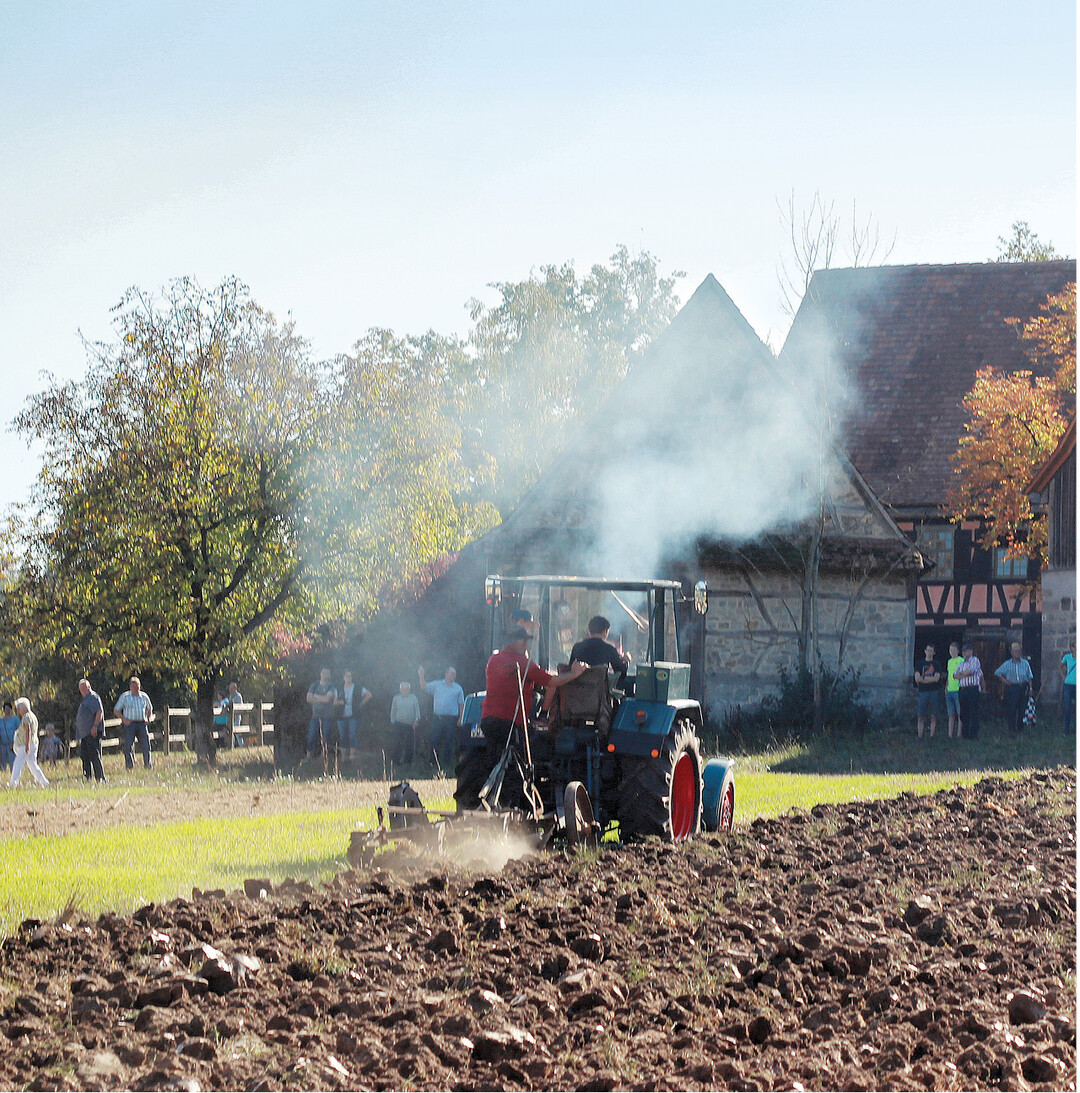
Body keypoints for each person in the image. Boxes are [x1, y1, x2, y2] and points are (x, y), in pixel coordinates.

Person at [457, 627, 586, 810]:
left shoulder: (494, 660)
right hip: (510, 723)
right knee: (517, 766)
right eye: (525, 640)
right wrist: (574, 673)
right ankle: (511, 806)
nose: (527, 644)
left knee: (493, 760)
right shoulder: (523, 664)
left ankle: (478, 804)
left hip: (488, 721)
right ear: (518, 642)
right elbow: (552, 681)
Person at [418, 665, 465, 771]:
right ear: (446, 674)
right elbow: (424, 687)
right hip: (438, 718)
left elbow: (461, 704)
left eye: (455, 674)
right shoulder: (437, 685)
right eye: (452, 673)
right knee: (434, 739)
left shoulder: (458, 688)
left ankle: (447, 764)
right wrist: (421, 675)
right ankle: (432, 762)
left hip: (451, 719)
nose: (454, 676)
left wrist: (461, 718)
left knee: (449, 741)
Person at [570, 615, 631, 684]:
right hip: (600, 693)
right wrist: (626, 660)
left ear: (590, 630)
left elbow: (570, 669)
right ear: (605, 632)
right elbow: (621, 673)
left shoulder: (577, 647)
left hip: (577, 690)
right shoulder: (609, 648)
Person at [994, 642, 1034, 737]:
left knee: (1022, 709)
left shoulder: (1025, 663)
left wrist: (1031, 688)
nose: (1017, 653)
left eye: (1019, 651)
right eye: (1015, 651)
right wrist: (1005, 681)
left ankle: (1020, 729)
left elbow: (1029, 676)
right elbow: (997, 672)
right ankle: (1012, 730)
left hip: (1023, 687)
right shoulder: (1007, 664)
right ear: (1011, 652)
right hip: (1012, 688)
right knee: (1011, 709)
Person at [114, 676, 154, 770]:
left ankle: (148, 765)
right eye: (134, 686)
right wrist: (124, 719)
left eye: (137, 686)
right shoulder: (125, 696)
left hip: (142, 724)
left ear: (140, 686)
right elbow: (116, 710)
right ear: (130, 687)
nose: (136, 688)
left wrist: (148, 718)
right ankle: (129, 767)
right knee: (128, 746)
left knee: (146, 745)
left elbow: (149, 708)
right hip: (130, 724)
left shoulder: (144, 696)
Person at [9, 697, 48, 788]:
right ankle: (44, 782)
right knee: (33, 765)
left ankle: (13, 784)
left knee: (17, 764)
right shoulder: (33, 716)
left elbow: (28, 730)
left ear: (23, 708)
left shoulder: (26, 717)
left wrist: (26, 745)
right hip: (34, 743)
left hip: (26, 744)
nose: (18, 711)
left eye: (18, 709)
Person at [336, 670, 372, 760]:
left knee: (352, 734)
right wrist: (340, 702)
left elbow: (369, 695)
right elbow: (334, 701)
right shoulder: (339, 688)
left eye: (350, 676)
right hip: (341, 716)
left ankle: (352, 756)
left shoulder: (358, 687)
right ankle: (343, 757)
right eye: (347, 676)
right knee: (343, 736)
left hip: (354, 715)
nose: (348, 678)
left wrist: (361, 703)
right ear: (343, 677)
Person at [75, 679, 106, 783]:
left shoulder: (93, 697)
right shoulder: (86, 699)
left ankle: (100, 778)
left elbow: (99, 711)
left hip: (92, 732)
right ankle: (87, 778)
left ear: (90, 686)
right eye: (82, 688)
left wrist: (95, 726)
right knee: (84, 756)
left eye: (86, 687)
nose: (85, 689)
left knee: (94, 755)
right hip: (85, 734)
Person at [306, 668, 339, 758]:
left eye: (327, 673)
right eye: (323, 672)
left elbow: (328, 699)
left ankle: (323, 757)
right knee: (312, 735)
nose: (325, 674)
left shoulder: (331, 686)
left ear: (329, 675)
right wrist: (322, 698)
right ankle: (308, 756)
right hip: (315, 715)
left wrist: (316, 697)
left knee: (325, 736)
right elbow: (308, 698)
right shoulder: (314, 685)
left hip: (327, 716)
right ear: (320, 674)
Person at [953, 643, 983, 740]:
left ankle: (974, 735)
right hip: (962, 690)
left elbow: (971, 671)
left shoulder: (975, 660)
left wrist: (961, 674)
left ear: (971, 651)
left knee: (973, 712)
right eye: (965, 651)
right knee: (964, 712)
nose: (966, 652)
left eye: (968, 650)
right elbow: (954, 675)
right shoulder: (961, 663)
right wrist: (963, 674)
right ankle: (965, 734)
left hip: (972, 689)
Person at [913, 644, 942, 739]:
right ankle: (920, 736)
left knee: (933, 715)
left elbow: (936, 678)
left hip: (934, 692)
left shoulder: (936, 664)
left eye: (931, 650)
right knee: (921, 716)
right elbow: (917, 678)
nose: (929, 652)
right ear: (925, 651)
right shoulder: (919, 664)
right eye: (928, 650)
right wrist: (929, 679)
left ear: (934, 652)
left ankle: (931, 736)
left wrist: (924, 678)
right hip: (923, 692)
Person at [389, 682, 421, 766]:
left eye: (406, 689)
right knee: (397, 743)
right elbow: (393, 711)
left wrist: (416, 720)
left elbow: (417, 711)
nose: (404, 690)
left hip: (410, 724)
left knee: (409, 744)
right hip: (398, 724)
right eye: (402, 689)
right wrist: (393, 721)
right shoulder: (396, 698)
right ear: (400, 690)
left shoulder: (413, 698)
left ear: (409, 690)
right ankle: (396, 761)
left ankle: (408, 762)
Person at [945, 642, 964, 739]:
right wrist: (946, 688)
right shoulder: (949, 661)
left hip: (958, 690)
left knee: (960, 713)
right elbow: (949, 675)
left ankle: (959, 734)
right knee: (951, 714)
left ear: (958, 650)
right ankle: (950, 735)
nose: (951, 651)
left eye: (953, 649)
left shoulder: (961, 660)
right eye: (950, 650)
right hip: (949, 690)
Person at [1060, 639, 1076, 733]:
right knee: (1067, 708)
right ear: (1072, 648)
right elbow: (1060, 666)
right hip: (1068, 685)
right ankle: (1066, 729)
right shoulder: (1067, 657)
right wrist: (1063, 676)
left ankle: (1076, 729)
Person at [222, 681, 245, 747]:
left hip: (236, 717)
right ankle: (231, 746)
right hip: (231, 717)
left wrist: (235, 715)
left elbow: (239, 707)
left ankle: (241, 745)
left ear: (235, 688)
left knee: (237, 732)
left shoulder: (238, 696)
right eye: (229, 688)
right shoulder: (230, 696)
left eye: (231, 688)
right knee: (230, 731)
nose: (230, 689)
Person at [0, 701, 19, 772]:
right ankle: (3, 774)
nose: (7, 710)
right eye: (5, 709)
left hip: (12, 744)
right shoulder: (1, 720)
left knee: (12, 761)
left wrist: (15, 742)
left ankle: (13, 774)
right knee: (3, 762)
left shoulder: (15, 719)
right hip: (2, 744)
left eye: (8, 709)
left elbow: (19, 731)